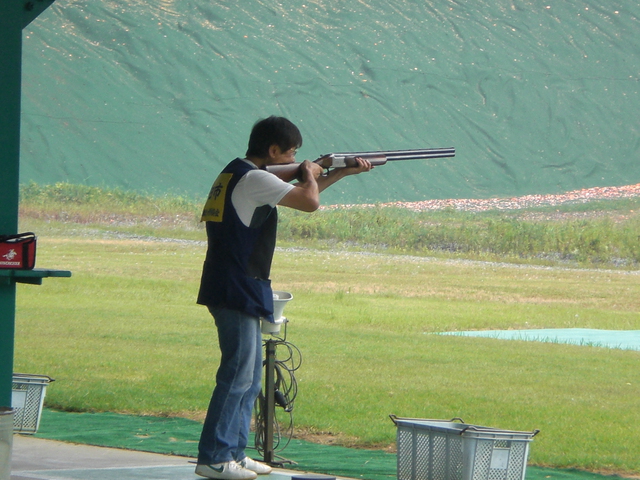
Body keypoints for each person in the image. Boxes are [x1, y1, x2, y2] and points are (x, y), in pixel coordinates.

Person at [195, 116, 372, 480]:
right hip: (237, 285)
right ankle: (214, 456)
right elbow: (309, 201)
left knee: (249, 378)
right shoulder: (255, 178)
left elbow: (305, 193)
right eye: (292, 152)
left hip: (236, 282)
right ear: (274, 152)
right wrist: (311, 170)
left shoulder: (237, 173)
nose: (296, 157)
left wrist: (337, 172)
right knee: (238, 375)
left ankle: (233, 452)